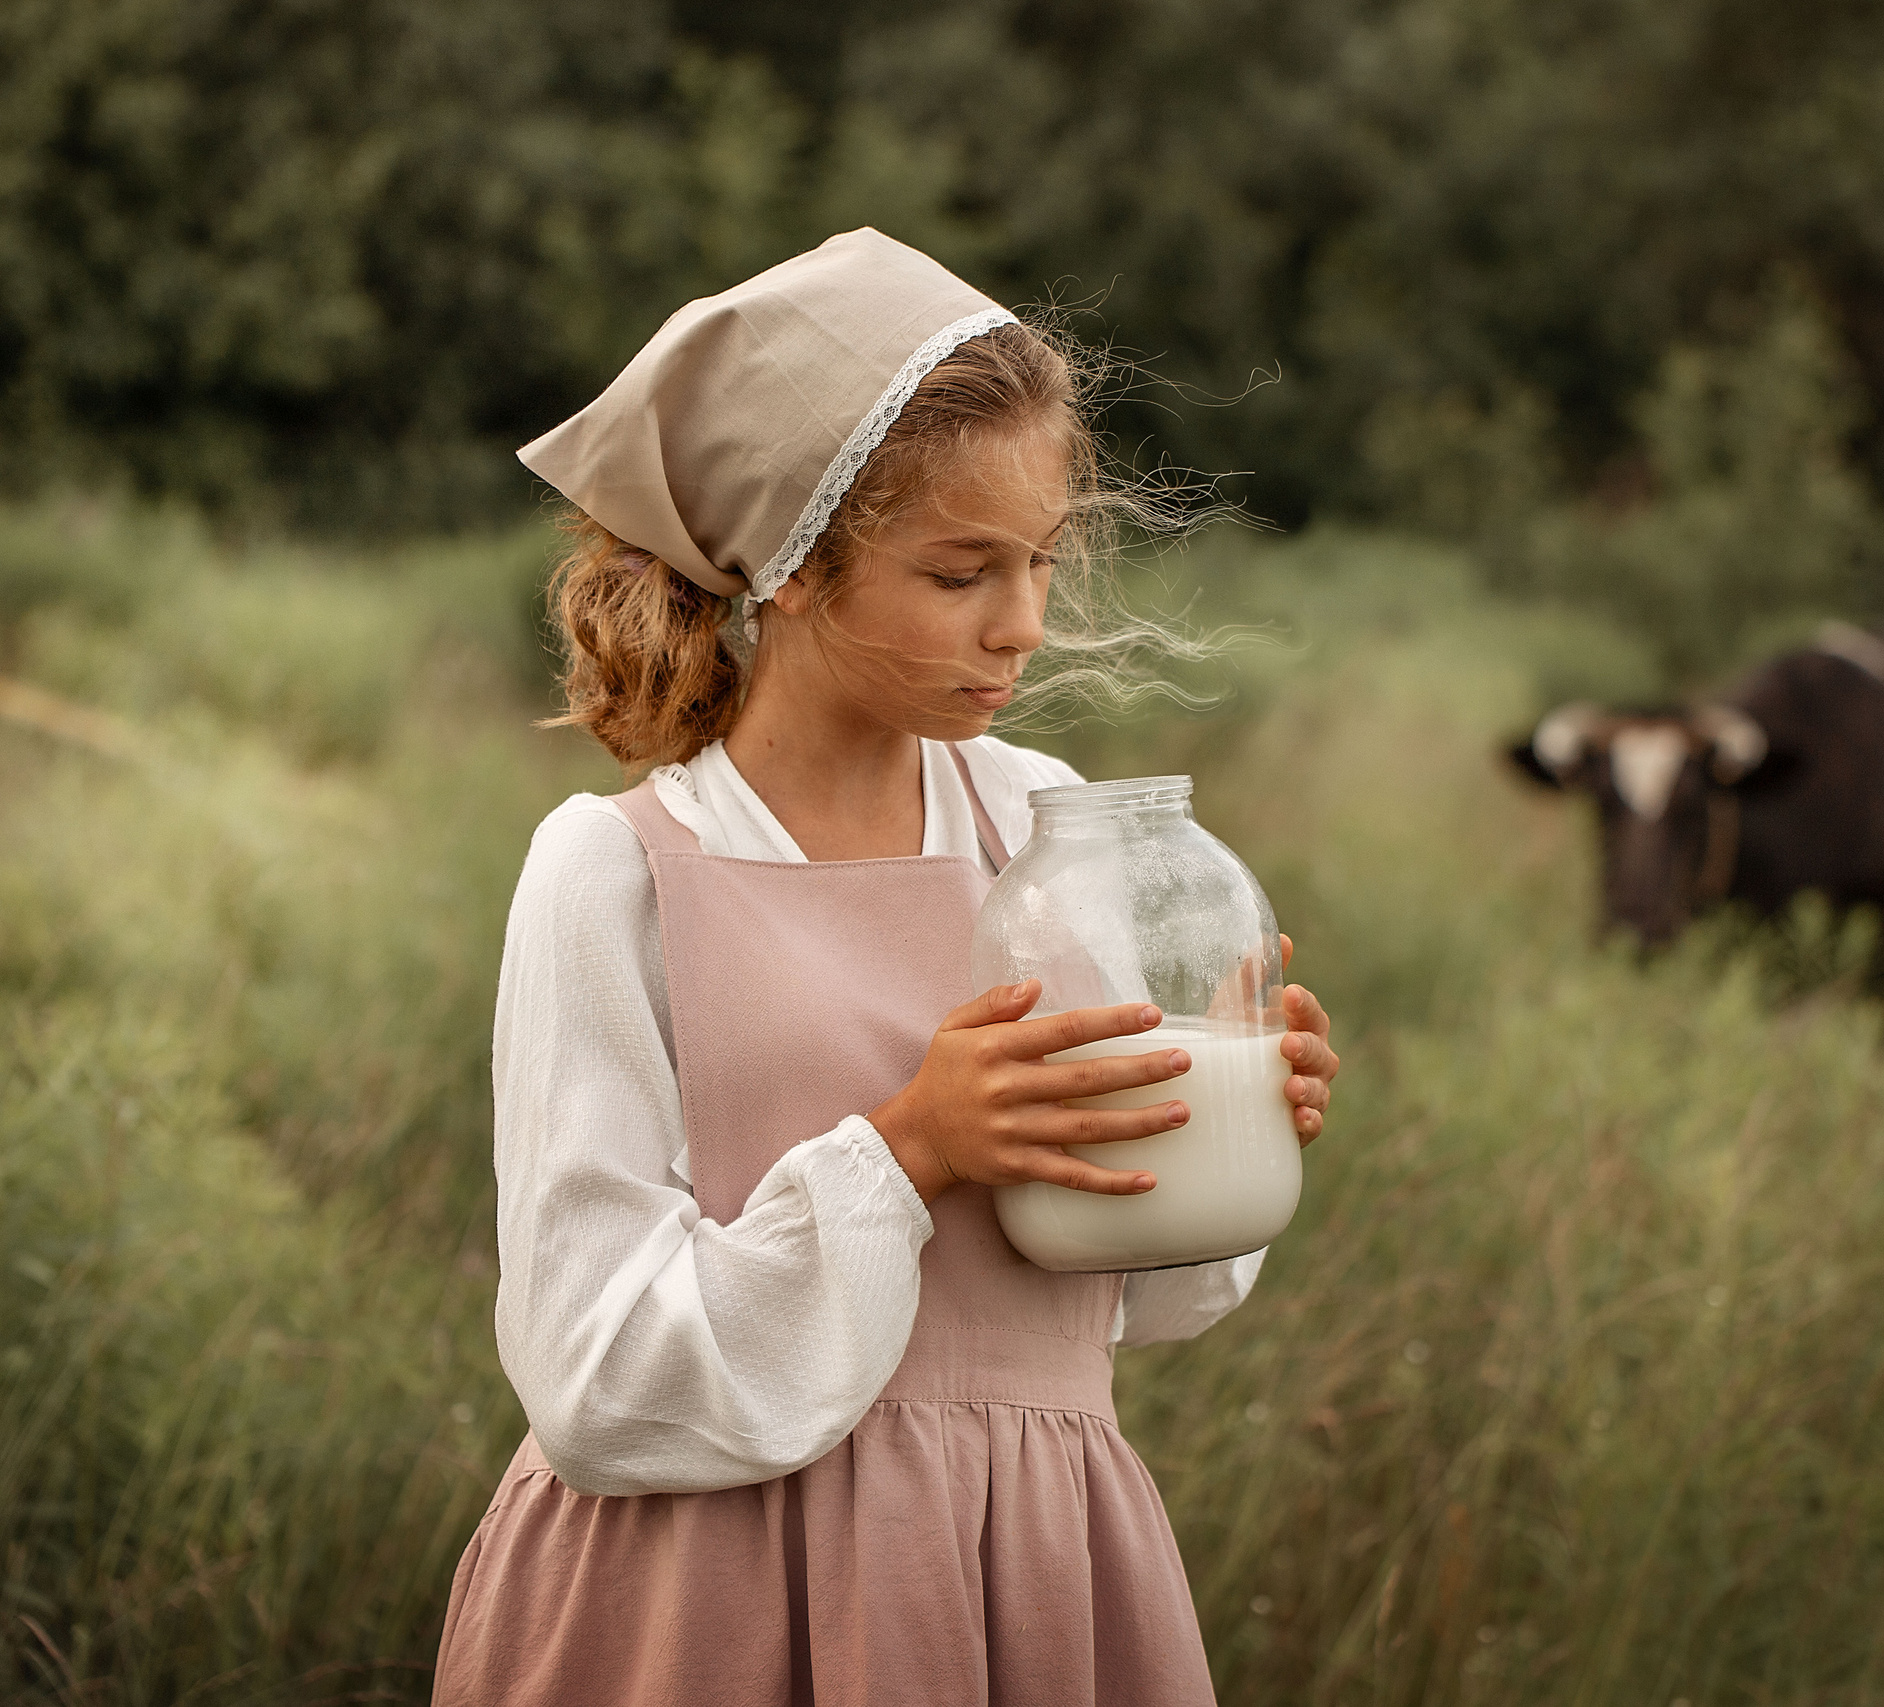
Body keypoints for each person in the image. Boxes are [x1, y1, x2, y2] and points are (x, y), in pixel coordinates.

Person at [433, 229, 1339, 1705]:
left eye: (1042, 563)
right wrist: (912, 1148)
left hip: (1017, 1568)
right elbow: (597, 1384)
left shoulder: (1048, 832)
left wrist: (1218, 1130)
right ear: (792, 566)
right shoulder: (617, 871)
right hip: (699, 1607)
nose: (1024, 624)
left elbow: (1135, 1289)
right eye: (960, 572)